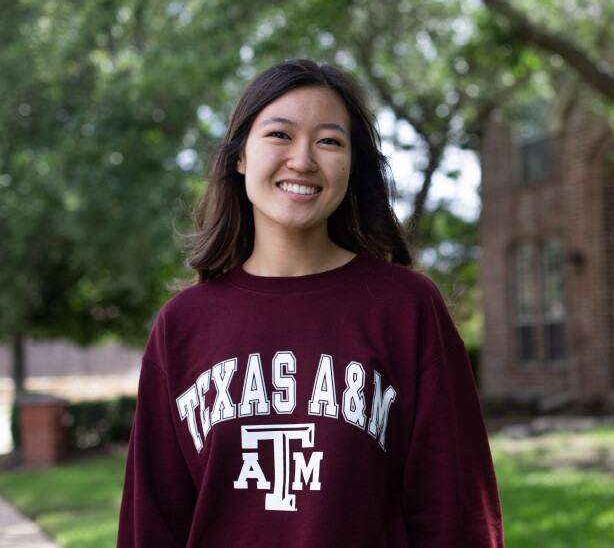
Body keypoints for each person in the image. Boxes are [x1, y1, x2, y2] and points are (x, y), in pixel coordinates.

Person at [117, 59, 504, 547]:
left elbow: (458, 516)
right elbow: (149, 524)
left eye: (329, 141)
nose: (302, 160)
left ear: (351, 167)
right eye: (279, 135)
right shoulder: (183, 326)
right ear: (239, 157)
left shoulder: (406, 308)